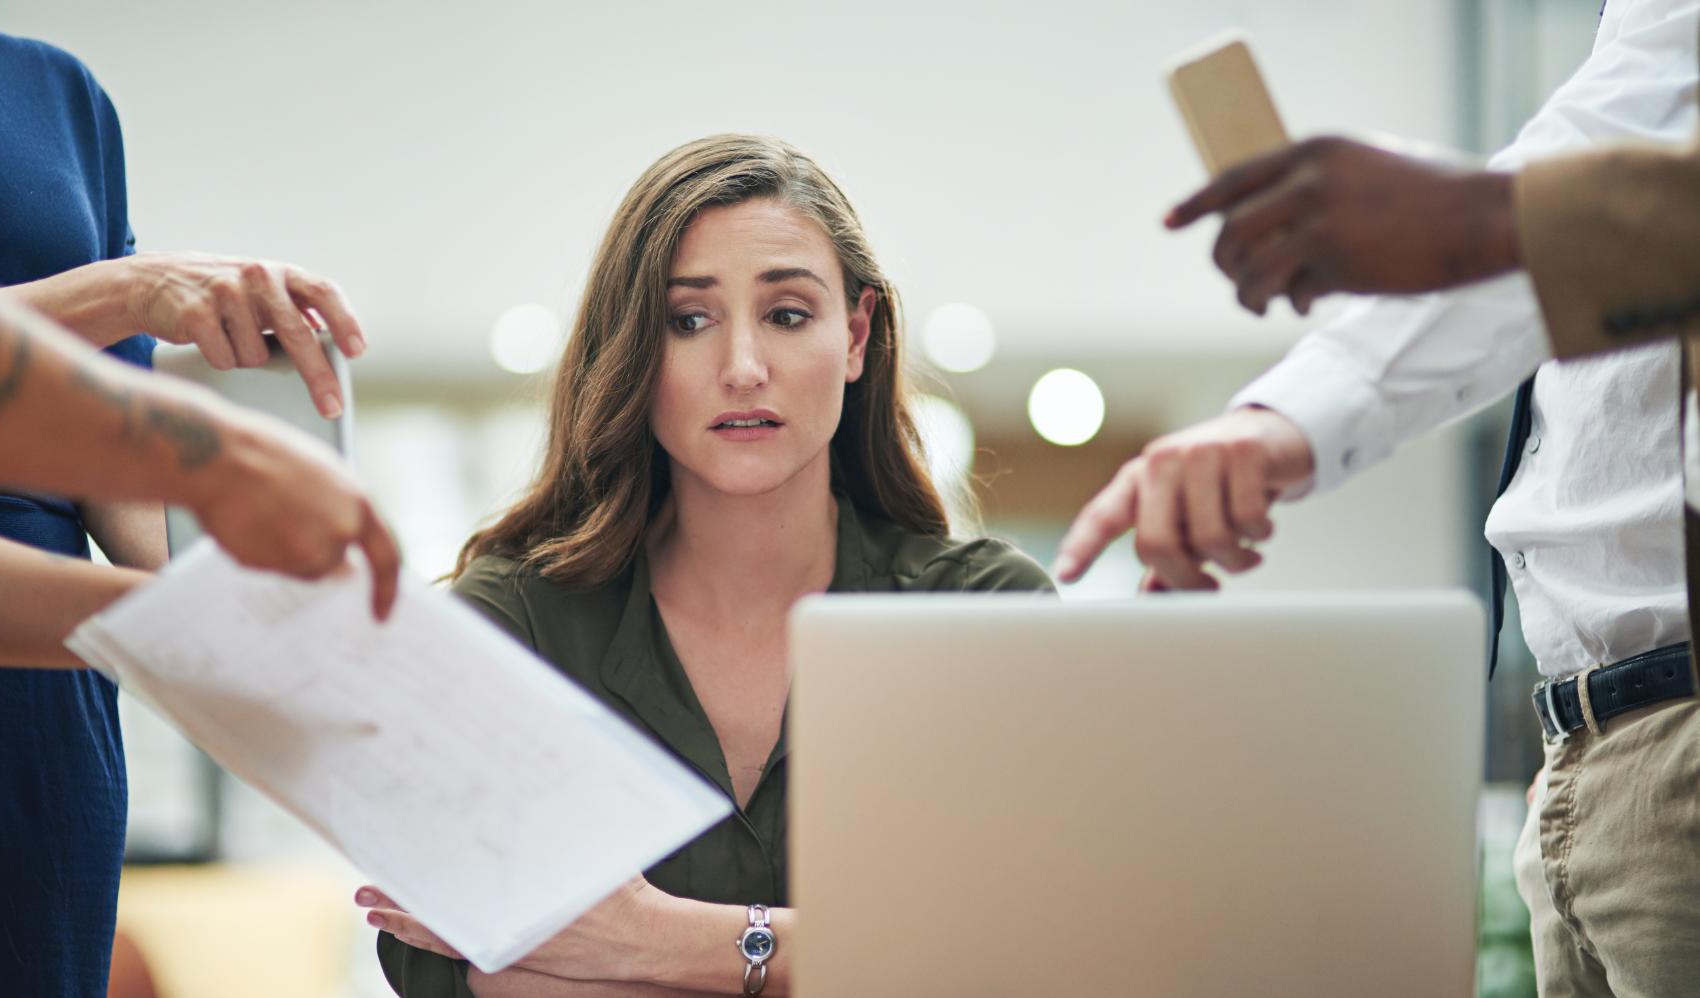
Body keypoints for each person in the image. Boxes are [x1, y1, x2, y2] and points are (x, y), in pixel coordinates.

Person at [1056, 2, 1698, 994]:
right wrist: (1285, 420)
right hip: (1591, 752)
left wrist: (1475, 219)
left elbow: (1583, 197)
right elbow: (1604, 186)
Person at [357, 134, 1055, 997]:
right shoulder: (515, 623)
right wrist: (845, 955)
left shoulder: (988, 614)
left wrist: (649, 940)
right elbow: (442, 957)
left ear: (857, 335)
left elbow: (1035, 943)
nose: (742, 368)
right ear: (634, 353)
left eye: (788, 315)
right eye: (687, 321)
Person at [0, 0, 399, 990]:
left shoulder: (63, 95)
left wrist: (240, 615)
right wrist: (129, 304)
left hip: (34, 699)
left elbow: (108, 468)